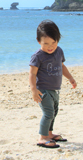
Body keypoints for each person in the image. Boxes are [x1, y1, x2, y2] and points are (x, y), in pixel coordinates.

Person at [29, 20, 77, 148]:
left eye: (53, 43)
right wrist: (34, 90)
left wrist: (70, 78)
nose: (50, 47)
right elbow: (32, 74)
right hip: (43, 90)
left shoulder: (59, 51)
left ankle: (49, 134)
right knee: (48, 112)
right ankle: (42, 137)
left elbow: (61, 66)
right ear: (38, 41)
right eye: (46, 43)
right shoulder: (38, 56)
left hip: (55, 89)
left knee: (54, 112)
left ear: (58, 40)